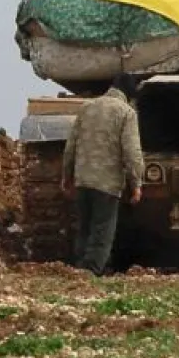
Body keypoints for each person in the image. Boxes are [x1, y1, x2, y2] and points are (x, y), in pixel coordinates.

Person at [61, 73, 145, 274]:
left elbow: (71, 145)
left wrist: (67, 175)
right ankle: (91, 271)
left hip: (83, 178)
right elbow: (131, 151)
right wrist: (136, 183)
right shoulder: (126, 112)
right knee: (102, 229)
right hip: (107, 181)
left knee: (84, 227)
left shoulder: (87, 107)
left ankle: (80, 267)